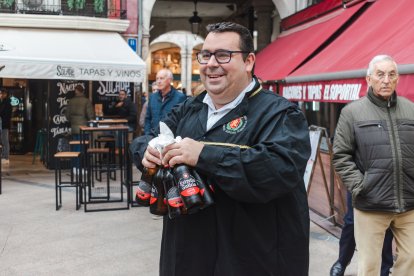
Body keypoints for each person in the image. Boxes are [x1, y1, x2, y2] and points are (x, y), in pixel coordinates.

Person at [130, 22, 311, 276]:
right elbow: (146, 137)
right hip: (187, 258)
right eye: (205, 55)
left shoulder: (281, 113)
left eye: (223, 55)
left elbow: (277, 170)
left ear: (248, 61)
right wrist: (146, 151)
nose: (211, 64)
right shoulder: (189, 108)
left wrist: (203, 154)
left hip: (253, 260)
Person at [333, 54, 414, 276]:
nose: (386, 80)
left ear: (398, 78)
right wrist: (361, 186)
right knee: (369, 265)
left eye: (391, 74)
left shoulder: (411, 110)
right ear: (369, 79)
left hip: (409, 203)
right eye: (380, 74)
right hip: (371, 204)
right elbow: (341, 155)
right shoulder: (352, 112)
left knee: (411, 260)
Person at [330, 192, 393, 276]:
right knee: (351, 222)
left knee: (386, 225)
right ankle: (342, 261)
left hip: (387, 186)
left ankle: (384, 270)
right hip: (360, 183)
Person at [144, 68, 186, 135]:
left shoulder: (180, 97)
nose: (158, 81)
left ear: (169, 80)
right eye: (157, 78)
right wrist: (148, 134)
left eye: (161, 78)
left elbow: (183, 121)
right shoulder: (152, 97)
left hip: (171, 139)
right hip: (153, 137)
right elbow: (148, 118)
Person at [64, 84, 94, 171]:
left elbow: (67, 115)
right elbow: (90, 116)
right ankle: (80, 168)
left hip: (74, 129)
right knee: (82, 149)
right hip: (83, 128)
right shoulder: (86, 101)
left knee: (75, 148)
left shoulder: (71, 101)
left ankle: (74, 167)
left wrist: (73, 122)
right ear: (83, 91)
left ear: (75, 91)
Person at [0, 88, 12, 166]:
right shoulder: (3, 102)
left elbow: (3, 113)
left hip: (4, 124)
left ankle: (6, 157)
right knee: (3, 140)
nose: (1, 95)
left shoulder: (7, 103)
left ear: (5, 94)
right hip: (3, 124)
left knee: (5, 140)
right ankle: (3, 156)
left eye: (1, 93)